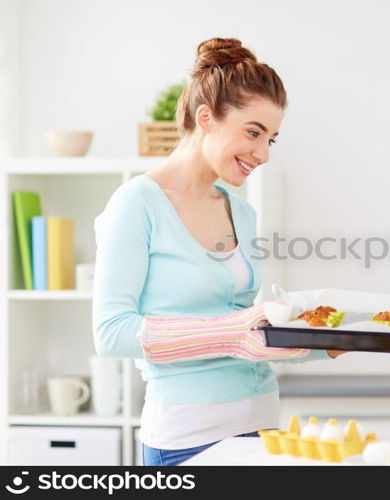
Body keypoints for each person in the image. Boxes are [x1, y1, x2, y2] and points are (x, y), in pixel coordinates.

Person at [92, 37, 343, 466]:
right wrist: (232, 332)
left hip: (262, 427)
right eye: (253, 132)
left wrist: (331, 341)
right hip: (186, 437)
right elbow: (112, 333)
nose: (262, 153)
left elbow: (249, 333)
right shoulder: (136, 204)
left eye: (272, 139)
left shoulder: (240, 211)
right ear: (205, 118)